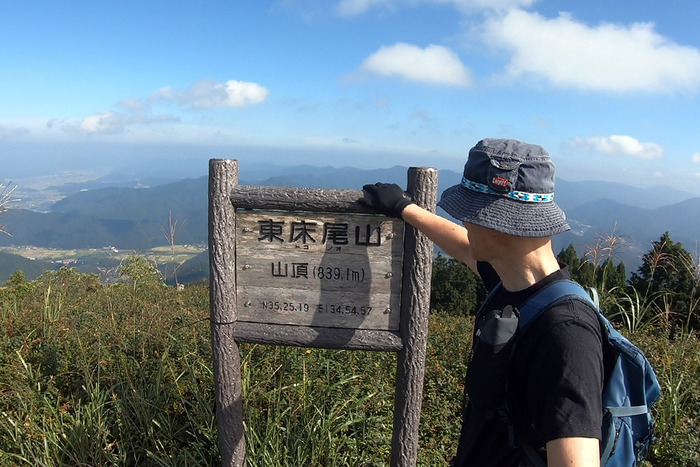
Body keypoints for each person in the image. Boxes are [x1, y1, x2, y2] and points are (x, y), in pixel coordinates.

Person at [360, 138, 603, 466]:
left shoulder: (566, 335)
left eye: (470, 212)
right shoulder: (515, 284)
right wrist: (406, 208)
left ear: (498, 222)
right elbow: (463, 247)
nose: (465, 222)